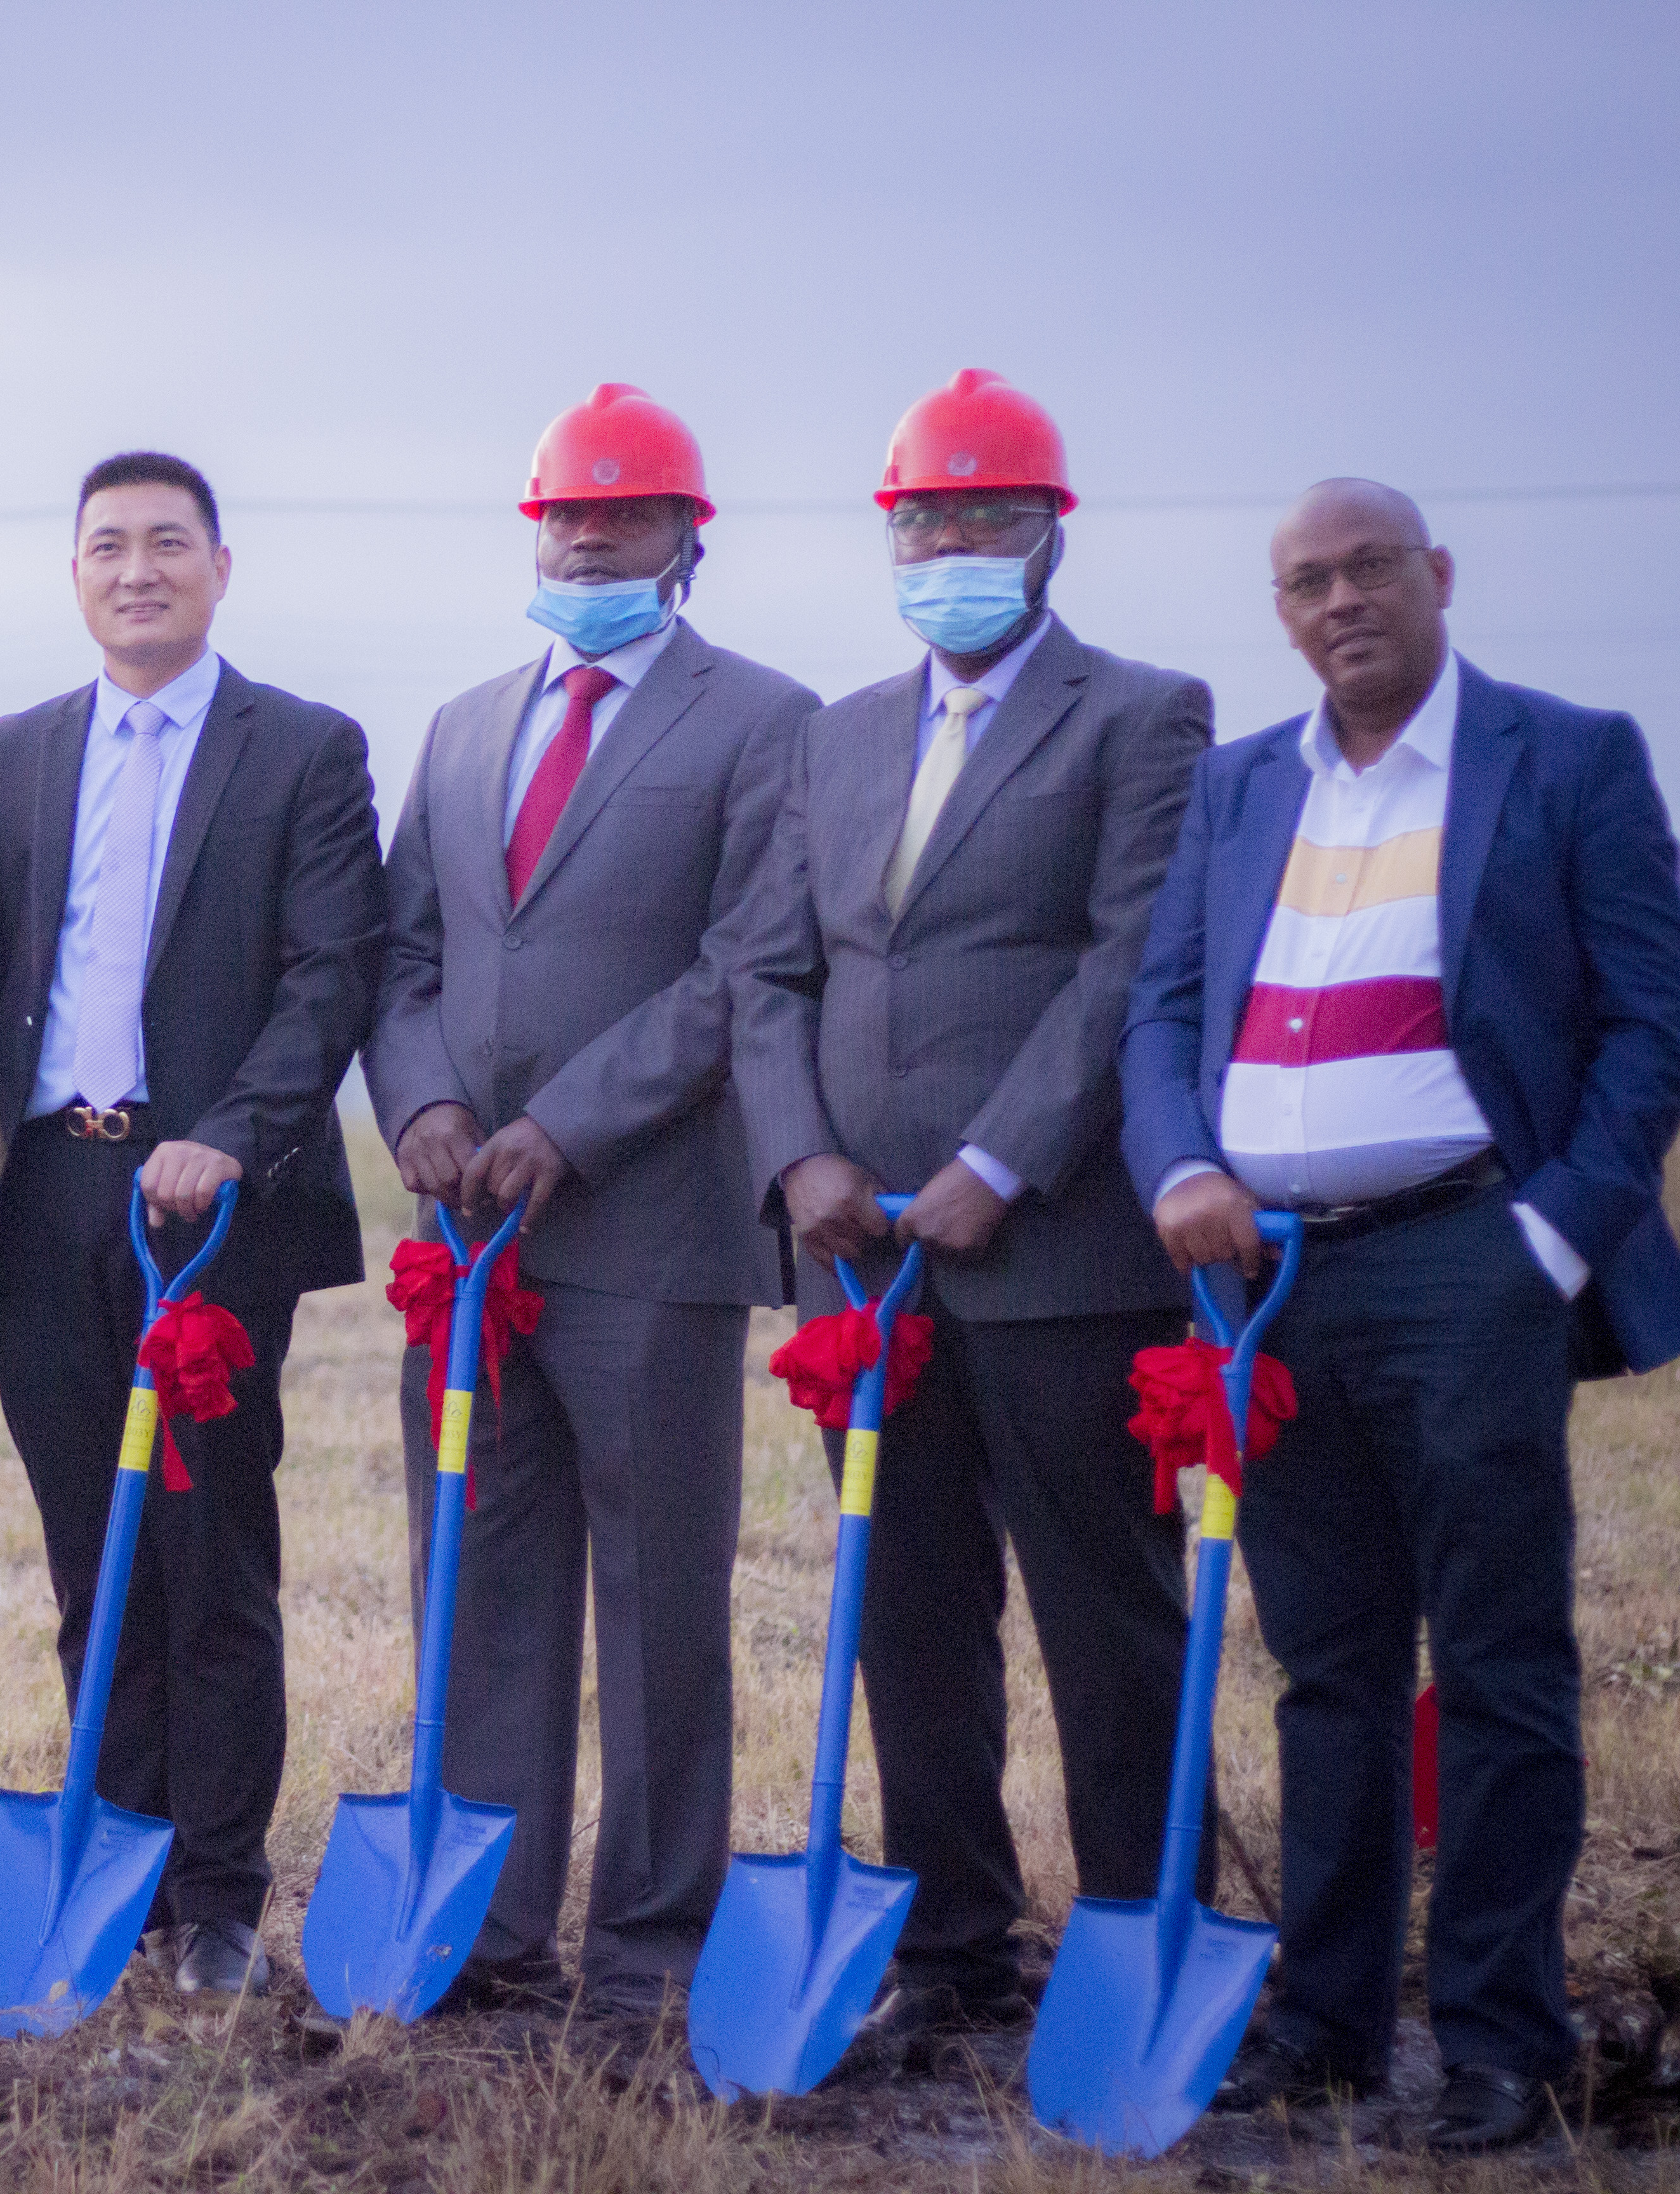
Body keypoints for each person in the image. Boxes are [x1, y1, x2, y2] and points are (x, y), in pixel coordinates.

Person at [1122, 479, 1680, 2150]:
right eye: (1307, 583)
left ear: (1437, 574)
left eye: (1371, 569)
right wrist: (1177, 1174)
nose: (1341, 600)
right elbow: (1158, 1016)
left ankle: (1508, 2037)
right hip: (1269, 1279)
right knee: (1326, 1666)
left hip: (1468, 1261)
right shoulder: (1236, 790)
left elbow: (1652, 1026)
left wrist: (1548, 1243)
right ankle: (1330, 2025)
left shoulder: (1569, 758)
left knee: (1500, 1660)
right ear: (1280, 614)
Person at [731, 369, 1212, 2042]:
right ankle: (952, 1949)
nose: (949, 544)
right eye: (922, 518)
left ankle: (1151, 1937)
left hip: (1057, 1254)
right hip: (856, 1264)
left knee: (1106, 1614)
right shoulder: (837, 735)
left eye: (984, 516)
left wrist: (997, 1163)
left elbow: (1128, 963)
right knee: (909, 1612)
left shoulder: (1144, 716)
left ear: (1049, 535)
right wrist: (801, 1164)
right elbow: (767, 968)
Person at [366, 387, 816, 2023]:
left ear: (691, 542)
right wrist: (419, 1099)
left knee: (658, 1604)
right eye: (564, 516)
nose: (587, 539)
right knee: (477, 1588)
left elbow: (745, 969)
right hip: (467, 1245)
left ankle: (649, 1949)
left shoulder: (767, 722)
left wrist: (567, 1121)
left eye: (623, 518)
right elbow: (404, 948)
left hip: (647, 1233)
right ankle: (488, 1934)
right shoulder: (468, 722)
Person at [0, 451, 386, 1995]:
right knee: (95, 1561)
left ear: (219, 567)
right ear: (73, 573)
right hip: (53, 1194)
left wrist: (229, 1139)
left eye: (168, 545)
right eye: (108, 546)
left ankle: (218, 1902)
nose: (138, 569)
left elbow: (331, 978)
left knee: (209, 1549)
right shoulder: (11, 756)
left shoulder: (305, 752)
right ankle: (110, 1868)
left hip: (207, 1205)